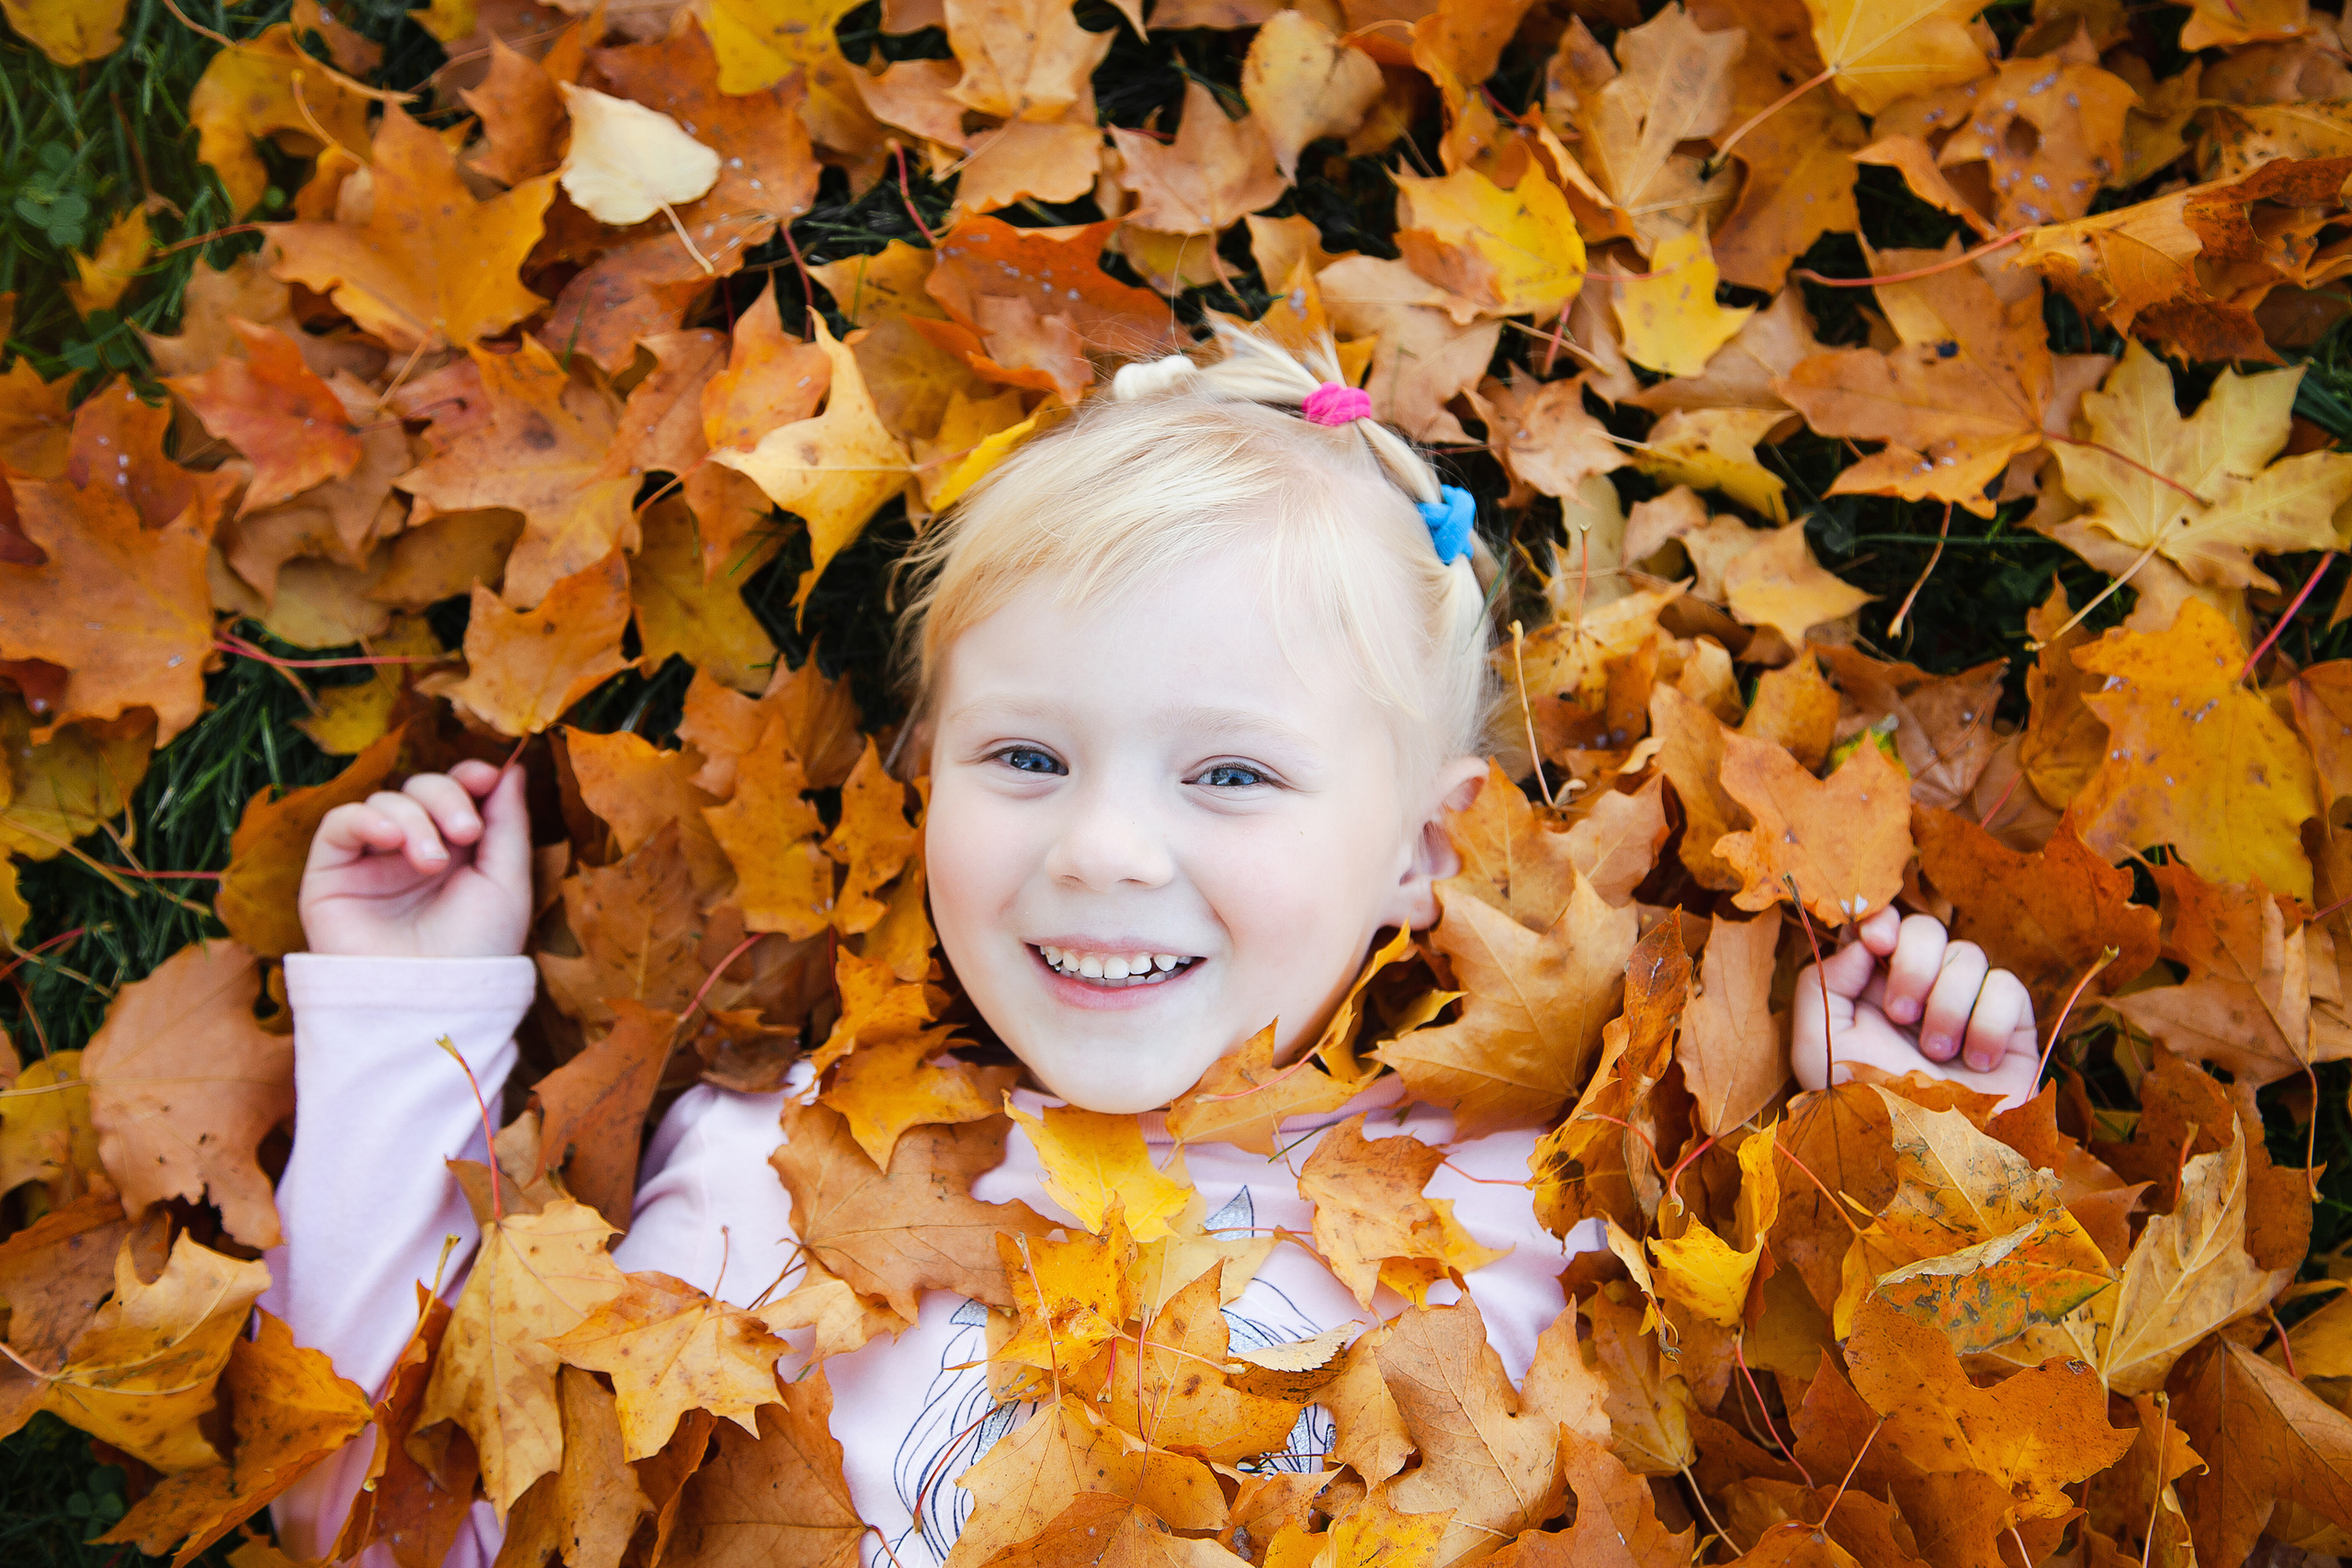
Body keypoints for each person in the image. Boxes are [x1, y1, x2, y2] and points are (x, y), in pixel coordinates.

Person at [264, 326, 2042, 1568]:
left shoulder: (1525, 1199)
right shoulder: (791, 1166)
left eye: (1229, 772)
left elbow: (1858, 1484)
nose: (1102, 844)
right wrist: (403, 1012)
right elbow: (386, 1506)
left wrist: (1904, 1156)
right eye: (1025, 755)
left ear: (1422, 850)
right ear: (924, 775)